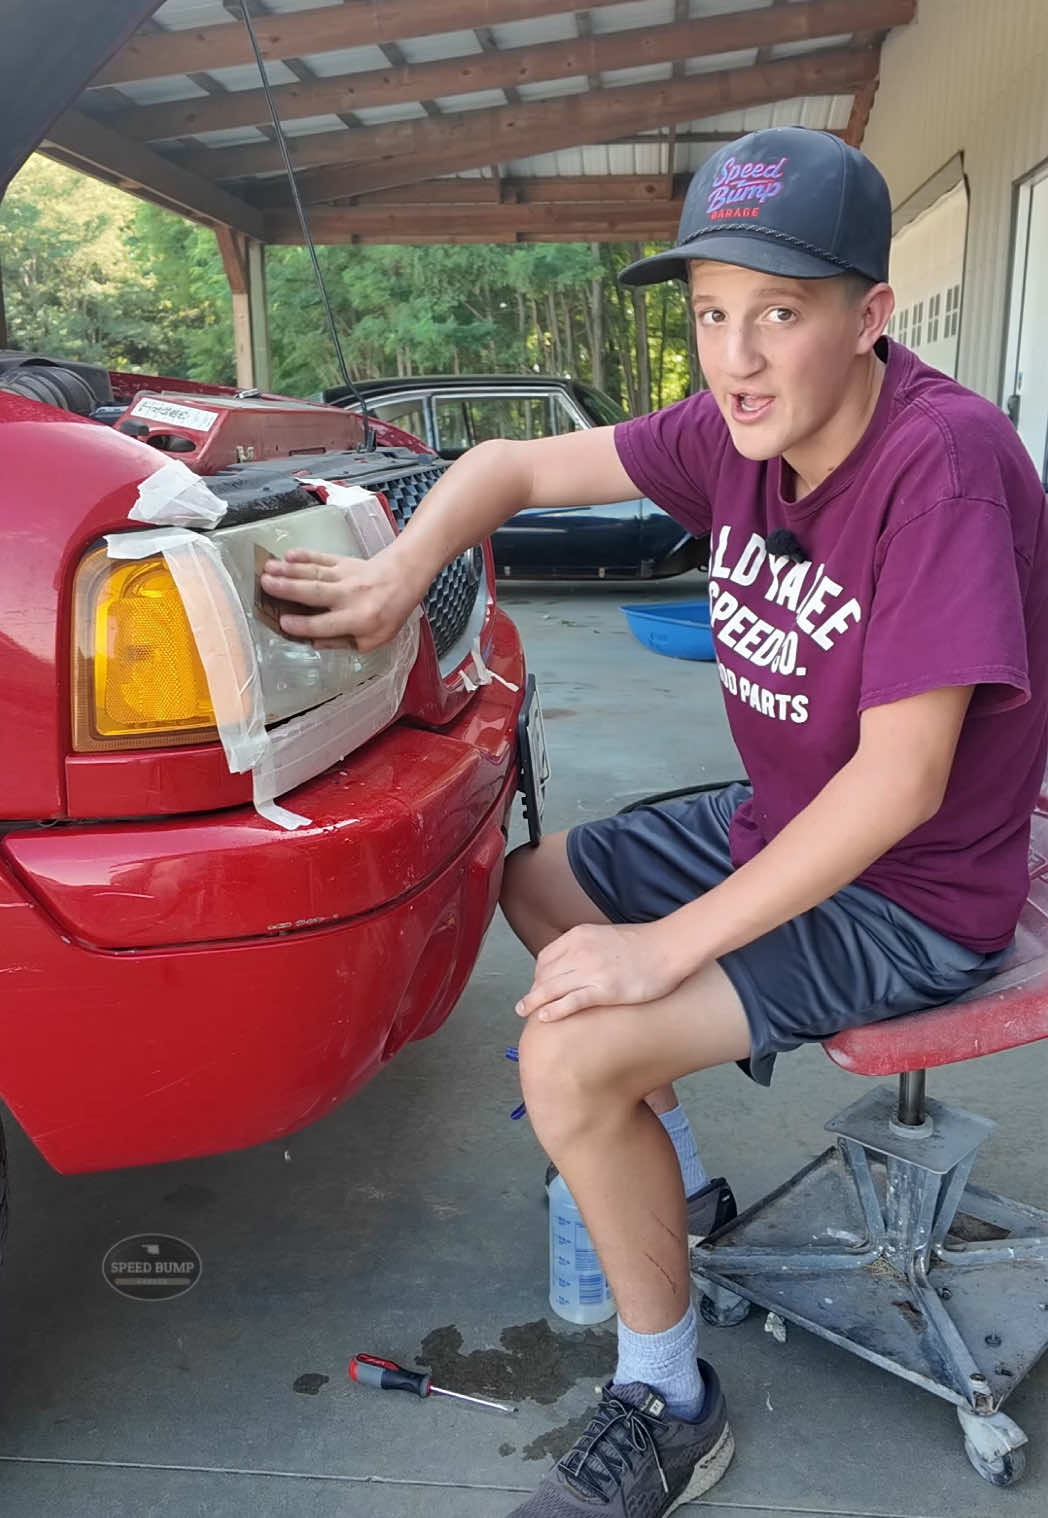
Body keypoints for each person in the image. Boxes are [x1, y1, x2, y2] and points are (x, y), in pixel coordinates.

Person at [260, 125, 1048, 1516]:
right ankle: (680, 1185)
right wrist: (393, 582)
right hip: (784, 822)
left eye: (781, 314)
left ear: (871, 317)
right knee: (542, 888)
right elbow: (504, 466)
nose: (735, 357)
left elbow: (901, 783)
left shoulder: (944, 466)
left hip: (913, 888)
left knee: (570, 1055)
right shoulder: (732, 432)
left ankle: (670, 1396)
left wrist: (665, 947)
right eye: (710, 314)